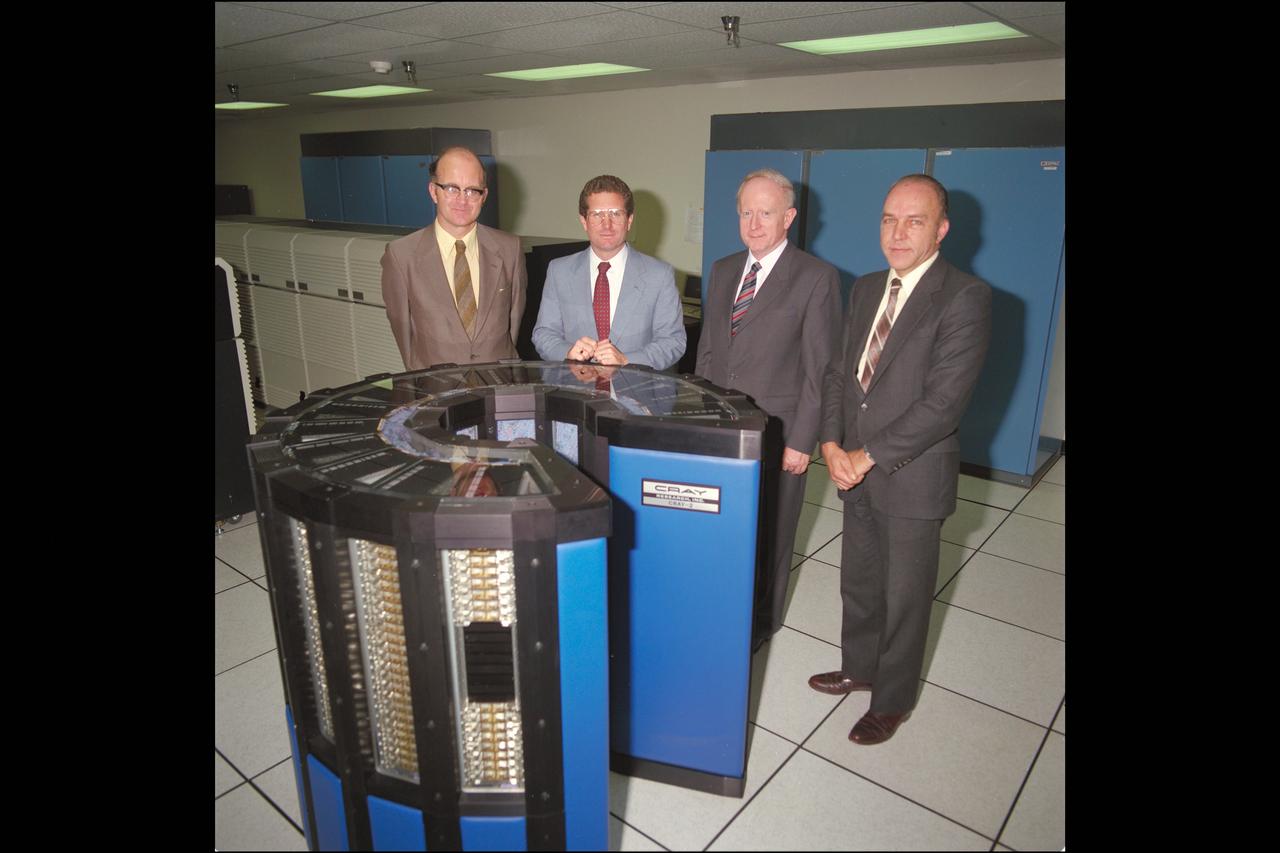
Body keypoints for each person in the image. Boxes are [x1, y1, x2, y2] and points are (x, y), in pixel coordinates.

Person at [809, 174, 992, 745]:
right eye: (889, 219)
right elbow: (842, 373)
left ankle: (892, 700)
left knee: (907, 596)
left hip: (911, 473)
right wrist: (832, 442)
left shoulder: (964, 296)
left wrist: (864, 456)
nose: (898, 232)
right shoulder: (865, 288)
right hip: (852, 464)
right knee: (860, 581)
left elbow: (943, 404)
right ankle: (859, 667)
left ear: (941, 229)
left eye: (914, 221)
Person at [695, 168, 842, 650]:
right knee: (722, 525)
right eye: (746, 212)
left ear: (789, 217)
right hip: (721, 427)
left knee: (772, 533)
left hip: (780, 431)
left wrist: (803, 440)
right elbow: (709, 352)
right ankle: (718, 604)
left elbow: (821, 369)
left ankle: (762, 623)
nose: (754, 223)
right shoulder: (721, 269)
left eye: (766, 213)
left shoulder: (816, 278)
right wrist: (698, 417)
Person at [381, 146, 527, 369]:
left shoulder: (510, 248)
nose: (462, 200)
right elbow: (403, 335)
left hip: (498, 387)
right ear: (433, 191)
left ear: (484, 196)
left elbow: (513, 324)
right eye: (451, 188)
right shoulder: (401, 255)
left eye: (472, 190)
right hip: (436, 389)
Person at [532, 175, 685, 370]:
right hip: (576, 392)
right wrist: (567, 351)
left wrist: (626, 360)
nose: (607, 224)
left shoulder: (660, 275)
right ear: (584, 221)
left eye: (616, 214)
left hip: (635, 394)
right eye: (597, 214)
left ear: (629, 220)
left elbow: (673, 342)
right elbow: (544, 333)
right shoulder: (559, 271)